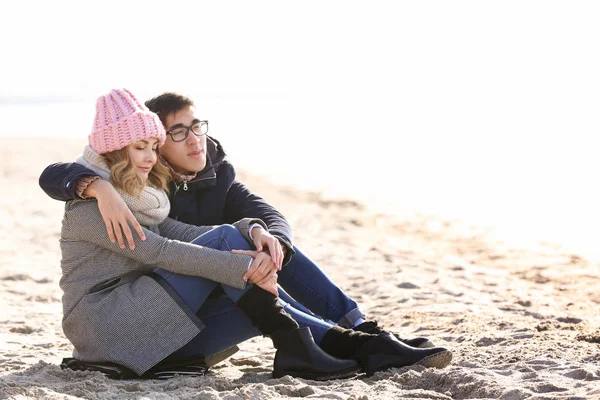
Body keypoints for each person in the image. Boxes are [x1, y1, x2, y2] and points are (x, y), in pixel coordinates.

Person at [55, 88, 451, 381]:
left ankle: (353, 338)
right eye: (139, 148)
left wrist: (253, 234)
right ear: (114, 152)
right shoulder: (94, 206)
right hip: (106, 328)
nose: (148, 157)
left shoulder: (145, 196)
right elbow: (159, 250)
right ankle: (348, 345)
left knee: (255, 304)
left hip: (149, 333)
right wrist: (236, 263)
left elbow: (185, 229)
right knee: (234, 250)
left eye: (150, 146)